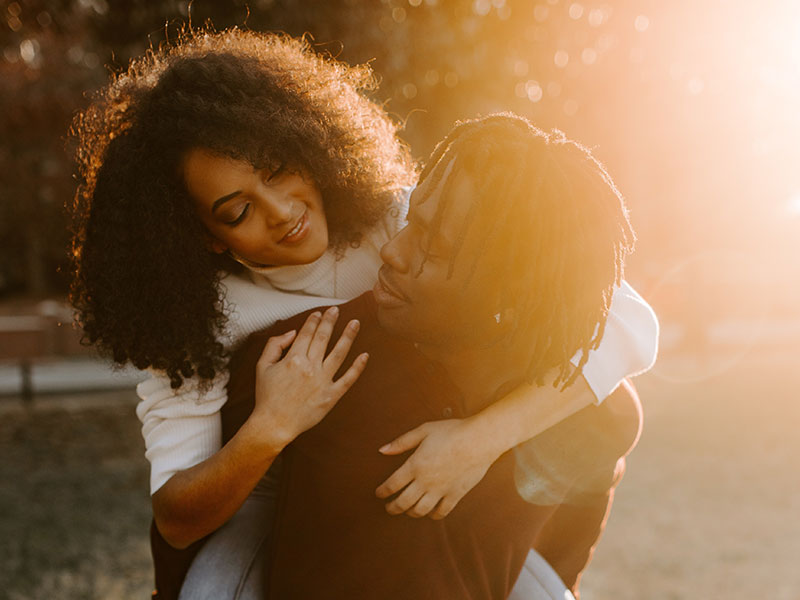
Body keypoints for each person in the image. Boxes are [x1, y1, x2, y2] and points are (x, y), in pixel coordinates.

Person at [68, 28, 657, 598]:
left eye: (278, 170)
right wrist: (272, 425)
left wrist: (479, 440)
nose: (281, 211)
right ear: (204, 235)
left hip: (410, 491)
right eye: (237, 211)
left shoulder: (394, 217)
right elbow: (177, 518)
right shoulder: (195, 323)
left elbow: (628, 323)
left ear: (304, 143)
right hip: (266, 506)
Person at [220, 114, 645, 599]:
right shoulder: (309, 357)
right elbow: (193, 526)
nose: (392, 251)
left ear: (508, 296)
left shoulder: (582, 403)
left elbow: (596, 467)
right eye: (411, 222)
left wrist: (555, 578)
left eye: (434, 248)